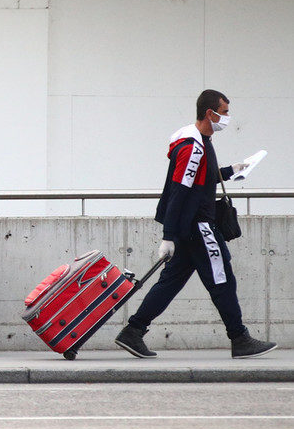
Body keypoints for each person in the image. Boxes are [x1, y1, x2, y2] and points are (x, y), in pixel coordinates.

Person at [115, 89, 276, 359]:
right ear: (210, 113)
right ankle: (239, 338)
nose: (227, 118)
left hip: (189, 228)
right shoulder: (193, 146)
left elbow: (201, 178)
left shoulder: (198, 140)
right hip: (199, 226)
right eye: (224, 112)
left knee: (170, 283)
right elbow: (179, 191)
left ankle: (133, 331)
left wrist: (233, 170)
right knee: (222, 279)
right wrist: (168, 235)